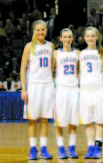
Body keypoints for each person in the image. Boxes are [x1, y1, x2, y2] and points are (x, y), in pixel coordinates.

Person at [20, 20, 54, 160]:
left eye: (43, 30)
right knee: (32, 119)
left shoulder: (51, 46)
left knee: (45, 119)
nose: (41, 32)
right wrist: (23, 89)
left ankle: (44, 149)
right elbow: (22, 69)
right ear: (33, 31)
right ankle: (33, 148)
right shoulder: (29, 47)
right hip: (33, 86)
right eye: (38, 30)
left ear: (46, 31)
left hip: (47, 85)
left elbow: (52, 67)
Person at [79, 26, 103, 159]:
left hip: (99, 89)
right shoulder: (80, 54)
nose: (90, 38)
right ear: (84, 38)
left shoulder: (102, 52)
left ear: (97, 37)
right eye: (88, 36)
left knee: (100, 120)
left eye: (92, 36)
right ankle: (90, 146)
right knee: (88, 120)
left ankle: (98, 146)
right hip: (85, 89)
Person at [52, 28, 80, 159]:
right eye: (65, 37)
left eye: (69, 37)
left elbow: (79, 71)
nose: (67, 39)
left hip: (74, 89)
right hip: (61, 89)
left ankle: (72, 147)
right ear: (60, 38)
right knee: (60, 121)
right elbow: (51, 70)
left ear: (72, 38)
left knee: (73, 120)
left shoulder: (77, 53)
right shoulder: (56, 53)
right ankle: (61, 147)